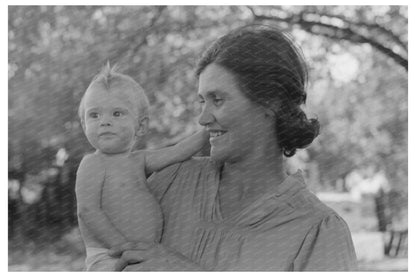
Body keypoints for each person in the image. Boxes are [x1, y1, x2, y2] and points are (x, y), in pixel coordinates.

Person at [108, 25, 358, 271]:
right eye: (201, 101)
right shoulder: (171, 183)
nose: (203, 118)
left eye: (218, 100)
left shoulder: (317, 231)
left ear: (270, 102)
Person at [75, 64, 208, 271]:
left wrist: (208, 131)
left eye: (117, 113)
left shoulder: (139, 160)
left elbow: (178, 151)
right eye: (94, 115)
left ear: (141, 126)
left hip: (143, 256)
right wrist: (121, 246)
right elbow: (88, 210)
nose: (104, 122)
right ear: (84, 125)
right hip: (109, 257)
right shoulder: (93, 163)